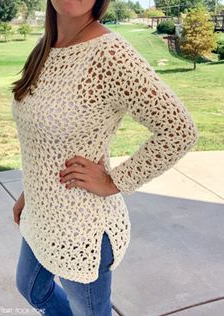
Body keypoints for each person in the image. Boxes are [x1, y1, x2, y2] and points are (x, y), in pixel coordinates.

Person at [11, 0, 199, 315]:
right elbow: (42, 142)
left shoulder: (111, 54)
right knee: (32, 289)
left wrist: (114, 181)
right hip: (40, 215)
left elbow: (179, 130)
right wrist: (29, 191)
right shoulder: (46, 47)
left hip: (82, 228)